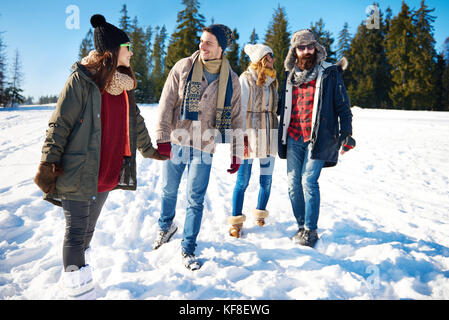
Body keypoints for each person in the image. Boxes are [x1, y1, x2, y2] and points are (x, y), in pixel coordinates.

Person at [34, 14, 168, 299]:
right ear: (111, 52)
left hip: (108, 173)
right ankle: (76, 288)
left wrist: (150, 151)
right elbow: (60, 124)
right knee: (76, 231)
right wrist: (48, 163)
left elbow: (136, 123)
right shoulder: (81, 81)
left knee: (87, 231)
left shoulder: (124, 86)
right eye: (126, 47)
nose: (131, 52)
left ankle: (78, 275)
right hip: (80, 170)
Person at [153, 24, 244, 270]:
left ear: (221, 48)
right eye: (201, 40)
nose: (201, 46)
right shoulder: (183, 67)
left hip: (204, 145)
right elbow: (166, 102)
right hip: (177, 140)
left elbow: (237, 118)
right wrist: (162, 138)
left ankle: (188, 248)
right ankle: (165, 226)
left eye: (208, 43)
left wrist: (236, 152)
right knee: (169, 190)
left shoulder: (232, 80)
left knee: (195, 200)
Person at [278, 29, 356, 248]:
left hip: (318, 137)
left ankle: (311, 231)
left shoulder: (329, 72)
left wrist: (346, 133)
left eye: (310, 46)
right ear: (294, 51)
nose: (306, 51)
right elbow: (281, 106)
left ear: (316, 47)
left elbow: (343, 106)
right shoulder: (290, 75)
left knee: (308, 182)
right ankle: (302, 226)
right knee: (294, 185)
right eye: (301, 48)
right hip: (293, 136)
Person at [228, 44, 279, 238]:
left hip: (269, 134)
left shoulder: (273, 80)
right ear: (261, 59)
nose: (273, 59)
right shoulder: (246, 79)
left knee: (266, 179)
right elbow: (238, 110)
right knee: (242, 181)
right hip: (249, 134)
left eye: (272, 55)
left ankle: (260, 213)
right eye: (269, 55)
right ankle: (236, 221)